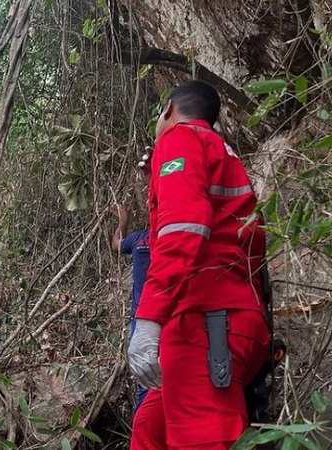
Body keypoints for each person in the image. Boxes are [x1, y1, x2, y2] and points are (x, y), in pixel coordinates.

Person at [127, 80, 270, 450]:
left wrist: (148, 321)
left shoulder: (178, 138)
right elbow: (244, 241)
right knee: (150, 428)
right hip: (234, 320)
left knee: (200, 438)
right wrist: (157, 182)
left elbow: (182, 230)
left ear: (169, 110)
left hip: (205, 323)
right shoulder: (223, 152)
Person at [111, 204, 150, 408]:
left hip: (143, 316)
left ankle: (142, 430)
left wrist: (123, 221)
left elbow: (116, 244)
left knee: (145, 378)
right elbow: (117, 245)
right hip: (159, 315)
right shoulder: (174, 237)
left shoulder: (139, 239)